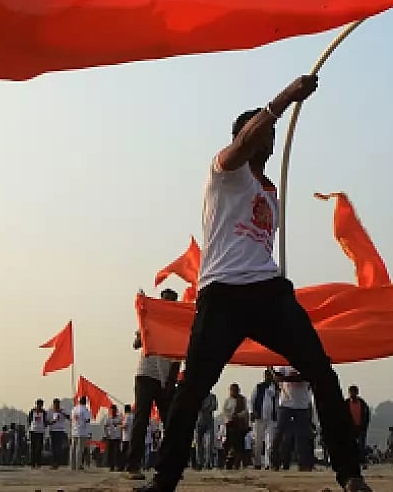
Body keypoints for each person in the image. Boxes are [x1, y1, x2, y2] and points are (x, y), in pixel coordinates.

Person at [137, 75, 369, 492]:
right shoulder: (225, 171)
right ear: (249, 134)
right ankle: (164, 480)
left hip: (268, 293)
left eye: (273, 133)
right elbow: (245, 141)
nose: (272, 137)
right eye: (266, 131)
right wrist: (286, 97)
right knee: (192, 389)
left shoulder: (270, 192)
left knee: (321, 371)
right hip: (222, 294)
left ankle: (350, 474)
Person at [126, 289, 181, 480]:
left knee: (171, 422)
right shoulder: (150, 320)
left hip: (164, 380)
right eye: (165, 301)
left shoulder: (176, 326)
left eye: (171, 302)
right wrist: (145, 322)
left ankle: (169, 465)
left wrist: (170, 384)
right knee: (141, 420)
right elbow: (136, 343)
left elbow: (177, 359)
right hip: (146, 375)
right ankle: (133, 465)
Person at [271, 366, 313, 470]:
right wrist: (271, 369)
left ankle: (304, 463)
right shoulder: (284, 366)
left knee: (302, 436)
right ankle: (275, 462)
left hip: (302, 405)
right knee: (279, 434)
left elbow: (303, 378)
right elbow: (277, 378)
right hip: (286, 404)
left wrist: (284, 378)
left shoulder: (307, 364)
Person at [250, 370, 276, 469]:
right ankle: (257, 463)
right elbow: (252, 400)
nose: (268, 377)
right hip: (259, 417)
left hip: (272, 418)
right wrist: (252, 412)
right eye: (267, 375)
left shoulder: (276, 388)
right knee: (258, 441)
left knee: (270, 442)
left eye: (270, 375)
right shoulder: (259, 387)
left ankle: (268, 463)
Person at [221, 383, 249, 469]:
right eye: (232, 390)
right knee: (229, 444)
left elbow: (245, 412)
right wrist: (230, 417)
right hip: (230, 425)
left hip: (239, 425)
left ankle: (237, 463)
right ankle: (229, 462)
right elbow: (224, 412)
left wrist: (237, 415)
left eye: (235, 390)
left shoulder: (242, 399)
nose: (233, 392)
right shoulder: (227, 400)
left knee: (239, 445)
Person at [346, 385, 371, 464]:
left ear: (357, 393)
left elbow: (366, 415)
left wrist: (365, 426)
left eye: (354, 392)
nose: (352, 394)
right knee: (350, 445)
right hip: (350, 428)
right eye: (351, 392)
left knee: (361, 446)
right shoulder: (346, 404)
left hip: (361, 427)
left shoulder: (362, 403)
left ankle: (361, 461)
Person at [70, 396, 93, 471]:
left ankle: (72, 465)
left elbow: (72, 419)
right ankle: (79, 465)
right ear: (85, 402)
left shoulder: (74, 409)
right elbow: (87, 420)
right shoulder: (85, 410)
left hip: (74, 431)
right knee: (80, 449)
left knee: (73, 449)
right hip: (82, 431)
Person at [47, 398, 68, 469]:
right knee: (53, 447)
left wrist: (61, 412)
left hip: (60, 430)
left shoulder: (63, 410)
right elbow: (47, 421)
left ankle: (57, 462)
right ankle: (53, 462)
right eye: (55, 404)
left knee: (58, 448)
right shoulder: (50, 411)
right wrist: (52, 422)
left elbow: (68, 417)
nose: (56, 405)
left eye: (58, 404)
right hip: (53, 430)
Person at [27, 399, 47, 469]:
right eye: (39, 405)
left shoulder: (44, 412)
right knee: (33, 448)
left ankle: (38, 463)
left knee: (39, 448)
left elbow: (45, 421)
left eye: (41, 405)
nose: (40, 406)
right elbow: (29, 420)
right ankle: (32, 463)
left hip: (40, 432)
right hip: (33, 431)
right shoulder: (32, 411)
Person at [105, 405, 123, 471]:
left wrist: (121, 436)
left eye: (114, 411)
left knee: (117, 453)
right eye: (111, 411)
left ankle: (118, 466)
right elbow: (105, 427)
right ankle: (111, 466)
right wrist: (107, 434)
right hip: (110, 437)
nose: (112, 412)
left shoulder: (119, 418)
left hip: (117, 437)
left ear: (116, 411)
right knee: (110, 453)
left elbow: (122, 427)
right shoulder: (108, 418)